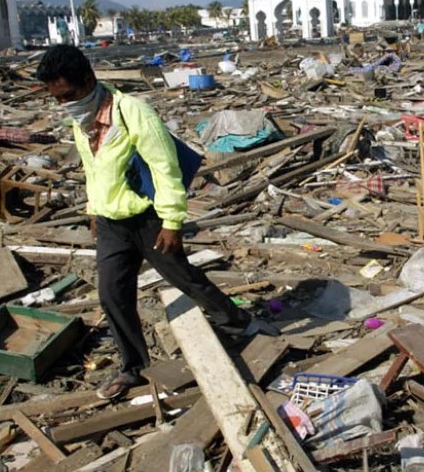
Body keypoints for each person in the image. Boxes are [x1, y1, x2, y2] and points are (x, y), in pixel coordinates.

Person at [36, 45, 277, 400]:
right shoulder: (81, 120)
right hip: (110, 223)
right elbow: (92, 169)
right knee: (112, 295)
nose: (64, 104)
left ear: (89, 79)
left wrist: (172, 221)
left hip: (149, 218)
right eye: (56, 98)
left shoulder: (133, 113)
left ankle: (239, 322)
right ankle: (132, 367)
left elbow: (166, 169)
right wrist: (92, 209)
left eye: (68, 95)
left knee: (185, 278)